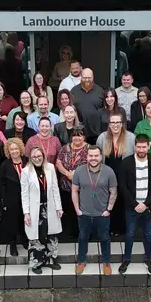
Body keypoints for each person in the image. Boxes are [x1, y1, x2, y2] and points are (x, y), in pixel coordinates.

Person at [116, 134, 151, 275]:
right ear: (135, 146)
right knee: (130, 234)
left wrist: (146, 204)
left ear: (148, 147)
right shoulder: (126, 163)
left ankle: (149, 259)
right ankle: (127, 259)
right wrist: (135, 204)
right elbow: (123, 187)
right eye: (139, 146)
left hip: (148, 207)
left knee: (148, 234)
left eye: (144, 147)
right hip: (131, 206)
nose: (141, 149)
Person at [72, 146, 117, 276]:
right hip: (84, 213)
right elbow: (74, 190)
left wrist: (109, 210)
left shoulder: (109, 171)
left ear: (101, 157)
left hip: (102, 214)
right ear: (86, 157)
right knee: (82, 237)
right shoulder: (79, 171)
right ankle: (81, 261)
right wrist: (77, 210)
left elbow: (113, 192)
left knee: (104, 238)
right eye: (90, 156)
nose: (93, 158)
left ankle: (106, 262)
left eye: (96, 156)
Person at [21, 146, 65, 274]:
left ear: (43, 156)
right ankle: (36, 263)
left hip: (50, 206)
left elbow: (55, 188)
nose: (37, 159)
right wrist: (26, 213)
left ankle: (50, 260)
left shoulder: (50, 168)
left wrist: (59, 207)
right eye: (34, 157)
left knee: (51, 234)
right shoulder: (25, 171)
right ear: (30, 158)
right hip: (36, 208)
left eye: (39, 156)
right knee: (36, 236)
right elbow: (24, 194)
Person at [95, 112, 135, 235]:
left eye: (118, 122)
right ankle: (108, 228)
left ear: (122, 124)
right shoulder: (102, 137)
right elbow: (97, 157)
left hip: (124, 177)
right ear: (109, 124)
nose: (115, 125)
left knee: (122, 202)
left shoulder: (131, 137)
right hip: (107, 176)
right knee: (108, 201)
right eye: (113, 122)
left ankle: (121, 228)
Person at [54, 126, 89, 238]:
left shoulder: (89, 149)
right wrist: (67, 174)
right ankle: (71, 232)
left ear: (84, 137)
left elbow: (93, 164)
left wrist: (76, 176)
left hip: (83, 186)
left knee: (83, 209)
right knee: (69, 210)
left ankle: (84, 232)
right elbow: (58, 163)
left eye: (79, 135)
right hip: (66, 185)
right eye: (74, 135)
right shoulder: (65, 148)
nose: (77, 138)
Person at [0, 138, 29, 255]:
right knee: (12, 221)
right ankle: (12, 243)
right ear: (8, 151)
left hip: (27, 197)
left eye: (16, 148)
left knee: (25, 219)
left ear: (20, 149)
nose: (14, 151)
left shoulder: (27, 161)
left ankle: (24, 239)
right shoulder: (4, 165)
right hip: (11, 198)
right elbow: (2, 184)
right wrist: (4, 201)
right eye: (12, 149)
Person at [69, 68, 105, 143]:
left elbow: (104, 110)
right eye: (85, 77)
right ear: (81, 77)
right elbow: (70, 109)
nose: (87, 80)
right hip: (79, 132)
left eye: (89, 77)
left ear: (93, 77)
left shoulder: (100, 91)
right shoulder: (74, 91)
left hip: (96, 132)